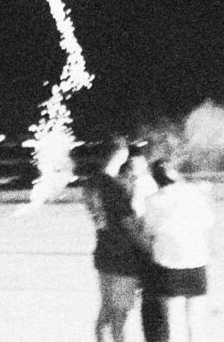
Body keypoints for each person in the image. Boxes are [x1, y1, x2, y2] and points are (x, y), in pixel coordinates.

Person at [136, 156, 212, 342]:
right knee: (196, 322)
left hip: (169, 267)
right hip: (197, 262)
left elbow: (148, 230)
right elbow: (208, 221)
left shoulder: (152, 200)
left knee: (173, 322)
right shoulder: (194, 193)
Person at [82, 144, 149, 342]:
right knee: (118, 319)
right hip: (123, 259)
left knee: (106, 310)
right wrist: (151, 251)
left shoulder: (91, 185)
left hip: (104, 253)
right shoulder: (112, 188)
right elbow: (128, 226)